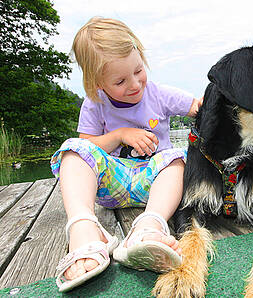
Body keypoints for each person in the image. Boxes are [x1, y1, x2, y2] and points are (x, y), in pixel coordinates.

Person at [50, 17, 202, 292]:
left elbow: (197, 106)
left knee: (178, 158)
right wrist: (120, 135)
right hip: (112, 186)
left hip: (154, 185)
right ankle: (84, 230)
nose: (134, 84)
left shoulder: (158, 94)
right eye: (120, 80)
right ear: (97, 82)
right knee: (73, 149)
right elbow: (88, 146)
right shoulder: (95, 104)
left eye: (138, 70)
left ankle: (149, 225)